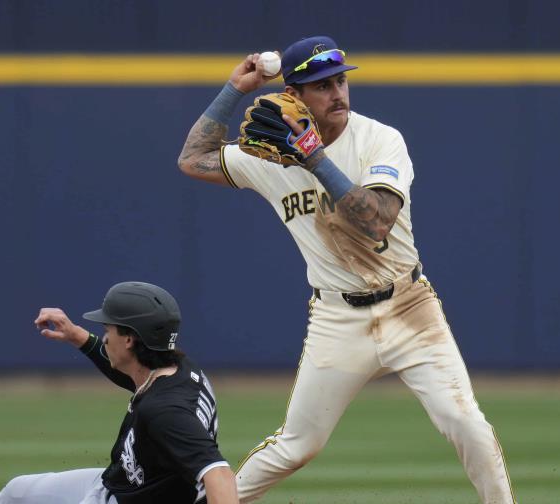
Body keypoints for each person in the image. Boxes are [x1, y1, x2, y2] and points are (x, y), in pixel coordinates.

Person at [177, 36, 516, 503]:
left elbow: (376, 222)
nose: (337, 93)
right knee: (297, 446)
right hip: (337, 319)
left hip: (409, 308)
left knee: (467, 424)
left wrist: (314, 156)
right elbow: (192, 160)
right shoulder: (268, 156)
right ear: (293, 97)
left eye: (340, 81)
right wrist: (233, 90)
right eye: (321, 86)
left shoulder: (379, 139)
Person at [0, 281, 239, 504]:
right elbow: (131, 374)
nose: (106, 334)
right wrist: (79, 337)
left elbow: (218, 475)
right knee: (17, 492)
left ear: (130, 339)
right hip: (118, 486)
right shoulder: (174, 368)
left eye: (109, 328)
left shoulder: (165, 411)